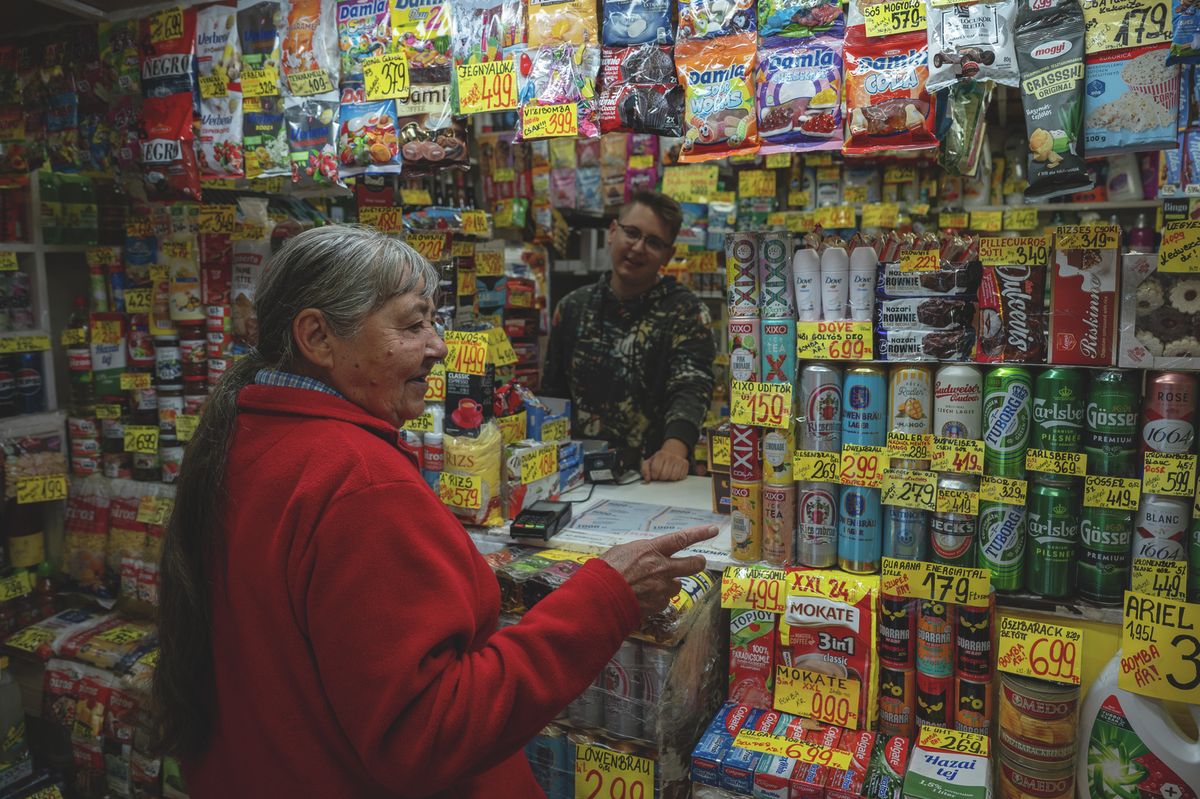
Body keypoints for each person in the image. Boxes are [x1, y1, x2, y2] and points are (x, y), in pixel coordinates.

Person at [154, 225, 717, 797]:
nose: (438, 346)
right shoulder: (359, 484)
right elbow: (431, 733)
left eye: (434, 321)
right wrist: (604, 595)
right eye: (413, 323)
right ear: (318, 337)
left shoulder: (246, 433)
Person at [542, 191, 716, 483]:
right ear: (612, 232)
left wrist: (674, 449)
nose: (638, 248)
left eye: (654, 242)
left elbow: (692, 386)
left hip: (654, 476)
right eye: (632, 233)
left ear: (668, 255)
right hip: (576, 475)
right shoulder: (572, 307)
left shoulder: (686, 310)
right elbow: (553, 396)